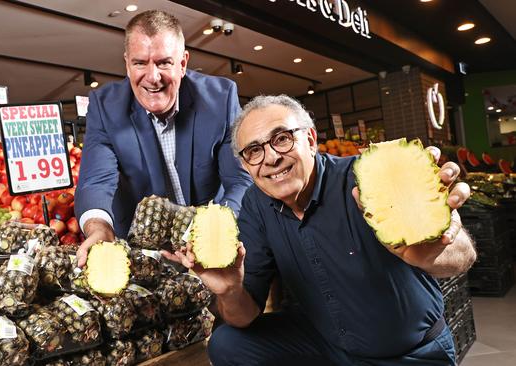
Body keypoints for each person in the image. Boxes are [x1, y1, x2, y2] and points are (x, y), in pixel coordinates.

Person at [162, 95, 476, 365]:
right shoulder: (256, 205)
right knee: (228, 342)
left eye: (282, 138)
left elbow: (464, 253)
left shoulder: (364, 178)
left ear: (311, 140)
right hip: (330, 346)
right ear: (245, 165)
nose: (271, 158)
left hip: (411, 352)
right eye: (253, 151)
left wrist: (432, 252)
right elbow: (246, 315)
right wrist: (230, 290)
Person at [74, 10, 252, 267]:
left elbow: (240, 179)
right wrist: (99, 226)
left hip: (210, 243)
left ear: (183, 63)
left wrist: (213, 234)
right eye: (140, 63)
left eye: (164, 62)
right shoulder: (105, 106)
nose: (153, 77)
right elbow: (95, 181)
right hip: (142, 250)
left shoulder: (220, 98)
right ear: (127, 64)